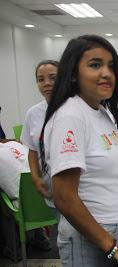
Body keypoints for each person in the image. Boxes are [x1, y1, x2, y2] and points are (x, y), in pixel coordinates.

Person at [39, 35, 118, 267]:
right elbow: (64, 197)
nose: (106, 73)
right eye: (95, 65)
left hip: (116, 227)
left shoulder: (102, 112)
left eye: (111, 66)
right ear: (73, 73)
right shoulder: (71, 116)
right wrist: (111, 246)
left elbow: (113, 175)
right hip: (88, 237)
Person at [21, 60, 58, 202]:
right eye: (40, 79)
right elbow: (32, 150)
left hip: (81, 189)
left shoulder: (75, 109)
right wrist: (36, 178)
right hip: (50, 189)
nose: (46, 83)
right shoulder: (33, 113)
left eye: (53, 78)